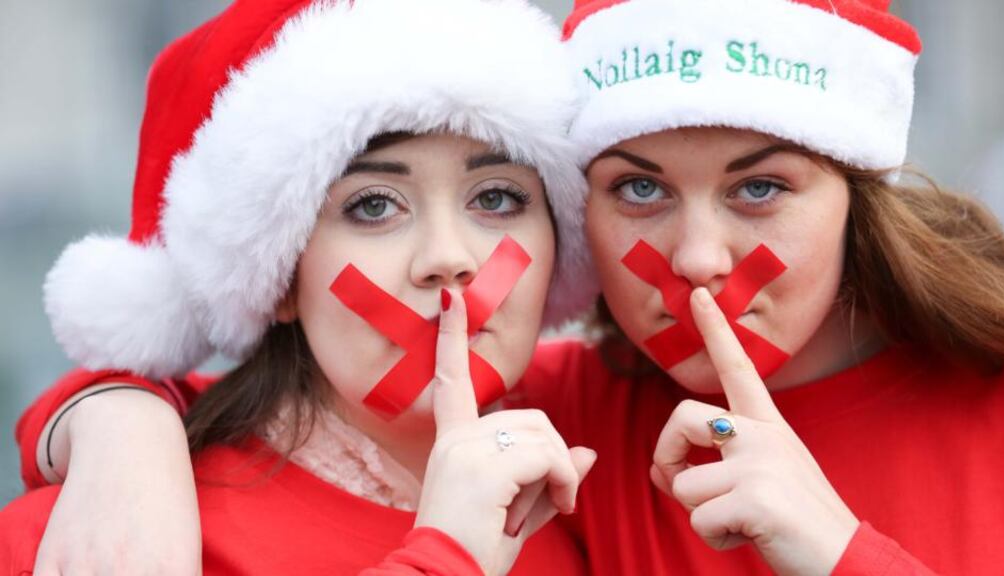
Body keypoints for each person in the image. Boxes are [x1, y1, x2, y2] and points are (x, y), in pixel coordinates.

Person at [13, 0, 1004, 574]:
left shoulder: (554, 443)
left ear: (858, 188)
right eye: (638, 188)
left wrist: (842, 554)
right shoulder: (564, 436)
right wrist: (119, 423)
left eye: (759, 187)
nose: (697, 259)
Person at [0, 0, 599, 574]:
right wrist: (449, 555)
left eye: (496, 198)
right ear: (280, 276)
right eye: (373, 205)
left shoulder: (601, 458)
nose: (448, 258)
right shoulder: (96, 539)